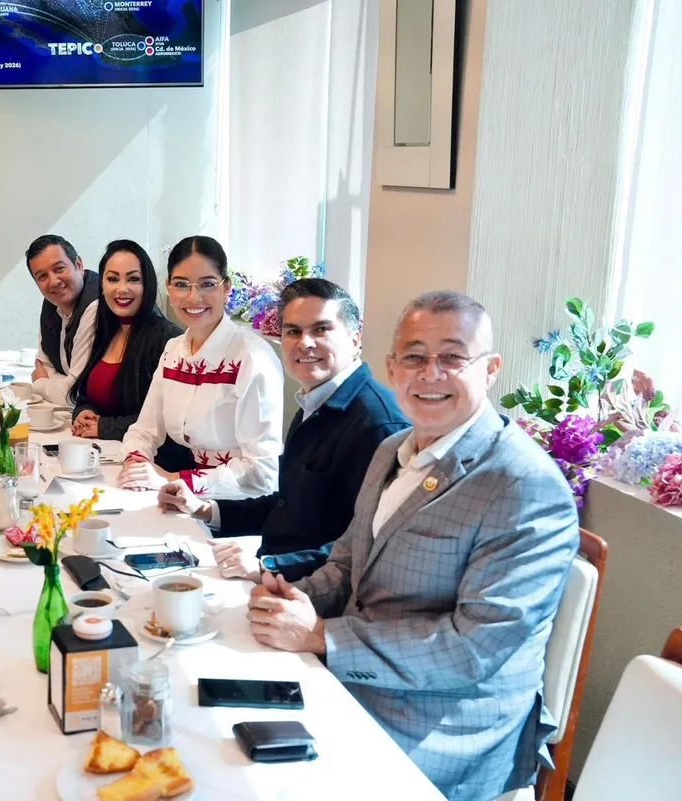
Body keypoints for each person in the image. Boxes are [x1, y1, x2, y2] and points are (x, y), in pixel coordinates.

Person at [245, 292, 578, 801]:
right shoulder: (390, 451)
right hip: (356, 682)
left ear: (491, 369)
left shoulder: (523, 486)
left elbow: (473, 649)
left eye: (453, 357)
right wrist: (292, 597)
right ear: (392, 367)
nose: (431, 374)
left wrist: (322, 637)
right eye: (415, 357)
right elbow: (347, 562)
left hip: (444, 729)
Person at [158, 279, 408, 581]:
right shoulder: (314, 401)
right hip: (276, 570)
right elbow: (288, 506)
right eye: (293, 331)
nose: (305, 343)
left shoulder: (377, 425)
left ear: (356, 339)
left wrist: (269, 567)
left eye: (321, 329)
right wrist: (205, 509)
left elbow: (368, 547)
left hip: (310, 592)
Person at [118, 235, 285, 500]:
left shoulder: (252, 358)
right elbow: (144, 430)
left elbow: (262, 474)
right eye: (181, 284)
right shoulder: (173, 351)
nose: (194, 297)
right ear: (168, 287)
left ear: (227, 287)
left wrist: (171, 479)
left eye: (207, 284)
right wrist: (137, 464)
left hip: (240, 505)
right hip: (188, 497)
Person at [69, 239, 183, 447]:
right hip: (102, 452)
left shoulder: (169, 339)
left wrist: (105, 427)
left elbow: (169, 419)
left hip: (149, 459)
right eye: (113, 279)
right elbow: (89, 395)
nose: (122, 289)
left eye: (133, 279)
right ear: (102, 285)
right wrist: (84, 411)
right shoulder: (105, 329)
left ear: (147, 285)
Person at [27, 234, 101, 406]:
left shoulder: (95, 306)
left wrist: (40, 383)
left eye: (59, 269)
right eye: (42, 276)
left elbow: (74, 394)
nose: (53, 282)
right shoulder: (52, 302)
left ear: (79, 265)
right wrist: (60, 383)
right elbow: (43, 363)